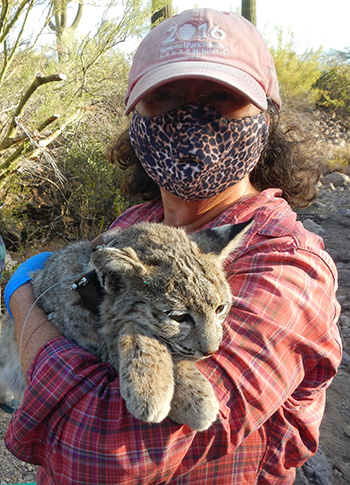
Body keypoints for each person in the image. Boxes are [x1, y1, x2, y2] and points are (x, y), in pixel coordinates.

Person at [3, 8, 342, 484]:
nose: (191, 117)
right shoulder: (139, 223)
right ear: (134, 118)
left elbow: (106, 453)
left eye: (223, 97)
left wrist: (22, 301)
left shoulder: (287, 266)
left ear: (266, 118)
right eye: (164, 97)